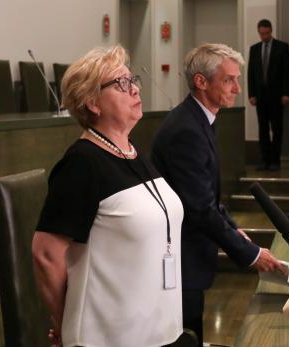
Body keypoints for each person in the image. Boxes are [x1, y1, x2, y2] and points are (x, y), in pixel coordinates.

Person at [32, 45, 185, 346]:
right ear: (92, 102)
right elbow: (46, 254)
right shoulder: (82, 163)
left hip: (158, 328)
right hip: (106, 336)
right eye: (121, 84)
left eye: (133, 81)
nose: (134, 90)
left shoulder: (132, 151)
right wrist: (65, 322)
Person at [151, 43, 287, 345]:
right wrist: (250, 254)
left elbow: (206, 195)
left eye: (238, 79)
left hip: (190, 254)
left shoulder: (199, 120)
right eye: (229, 79)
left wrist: (235, 230)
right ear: (201, 82)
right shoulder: (186, 128)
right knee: (184, 337)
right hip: (179, 260)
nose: (238, 88)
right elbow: (199, 208)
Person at [247, 19, 289, 171]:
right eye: (262, 34)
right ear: (258, 32)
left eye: (266, 33)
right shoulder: (254, 49)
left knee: (277, 129)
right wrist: (251, 94)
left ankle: (275, 161)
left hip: (277, 95)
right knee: (263, 128)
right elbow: (251, 73)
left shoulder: (282, 47)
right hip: (260, 95)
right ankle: (264, 160)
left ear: (271, 31)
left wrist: (286, 93)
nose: (264, 36)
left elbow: (287, 72)